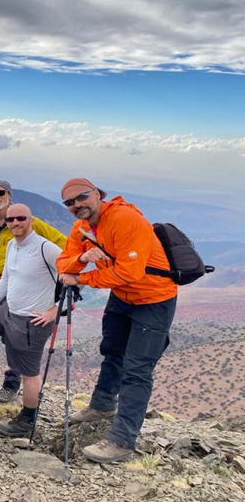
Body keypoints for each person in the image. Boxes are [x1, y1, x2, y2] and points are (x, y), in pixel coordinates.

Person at [57, 178, 177, 463]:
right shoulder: (83, 228)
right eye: (70, 203)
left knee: (137, 370)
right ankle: (102, 404)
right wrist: (83, 256)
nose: (77, 205)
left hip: (154, 300)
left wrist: (82, 276)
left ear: (97, 194)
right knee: (112, 353)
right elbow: (63, 263)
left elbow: (130, 272)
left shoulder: (124, 219)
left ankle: (122, 440)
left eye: (82, 197)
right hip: (122, 298)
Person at [0, 180, 67, 402]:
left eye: (0, 193)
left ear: (9, 195)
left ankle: (11, 384)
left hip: (23, 291)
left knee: (13, 337)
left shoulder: (32, 225)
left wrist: (56, 296)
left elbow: (62, 244)